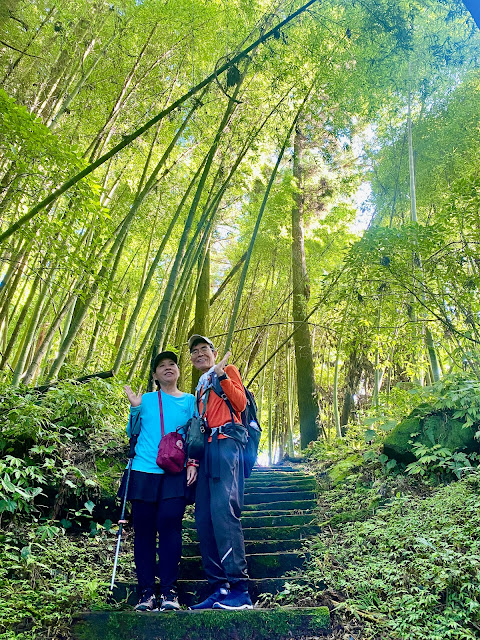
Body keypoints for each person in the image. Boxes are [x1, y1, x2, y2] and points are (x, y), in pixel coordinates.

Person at [119, 351, 197, 612]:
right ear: (154, 375)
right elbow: (132, 433)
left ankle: (169, 591)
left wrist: (193, 463)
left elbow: (195, 436)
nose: (167, 368)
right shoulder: (147, 400)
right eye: (161, 366)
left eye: (172, 364)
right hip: (143, 469)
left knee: (170, 528)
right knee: (143, 532)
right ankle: (145, 592)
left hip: (174, 472)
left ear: (178, 370)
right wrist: (134, 408)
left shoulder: (189, 401)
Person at [188, 334, 252, 611]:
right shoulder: (199, 386)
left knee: (224, 512)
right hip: (207, 452)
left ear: (214, 353)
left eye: (204, 349)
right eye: (194, 351)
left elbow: (240, 404)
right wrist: (193, 460)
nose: (199, 354)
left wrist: (222, 375)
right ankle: (219, 587)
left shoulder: (227, 371)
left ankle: (240, 589)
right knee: (203, 516)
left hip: (227, 445)